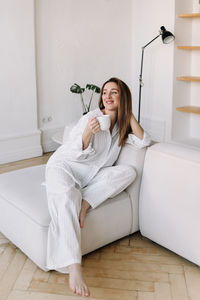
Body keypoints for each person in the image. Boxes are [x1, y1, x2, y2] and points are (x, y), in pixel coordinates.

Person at [45, 77, 151, 297]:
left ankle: (85, 203)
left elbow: (143, 141)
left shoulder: (121, 128)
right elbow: (72, 149)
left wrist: (128, 115)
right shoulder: (92, 117)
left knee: (128, 172)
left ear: (123, 97)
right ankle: (74, 266)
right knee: (65, 197)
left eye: (114, 92)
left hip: (90, 178)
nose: (108, 97)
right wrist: (87, 134)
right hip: (64, 167)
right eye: (105, 92)